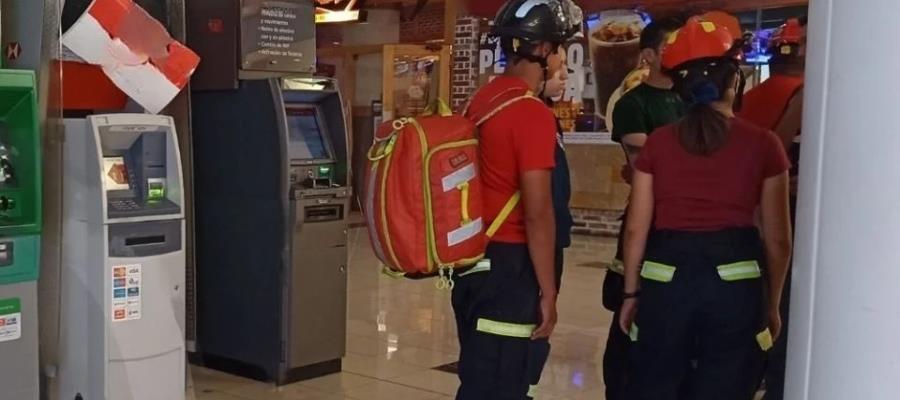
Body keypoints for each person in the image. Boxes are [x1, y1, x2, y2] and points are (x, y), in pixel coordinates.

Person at [619, 17, 793, 400]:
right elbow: (778, 240)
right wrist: (772, 304)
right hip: (735, 292)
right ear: (734, 81)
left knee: (654, 387)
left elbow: (636, 229)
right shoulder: (764, 145)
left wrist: (631, 294)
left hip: (666, 287)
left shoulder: (658, 145)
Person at [453, 1, 581, 398]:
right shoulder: (531, 113)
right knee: (502, 385)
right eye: (560, 49)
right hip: (511, 272)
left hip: (473, 262)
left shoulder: (483, 99)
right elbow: (538, 214)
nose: (562, 59)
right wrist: (548, 292)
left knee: (479, 378)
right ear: (542, 49)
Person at [604, 17, 685, 400]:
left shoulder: (695, 100)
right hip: (646, 223)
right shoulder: (632, 104)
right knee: (629, 322)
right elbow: (645, 163)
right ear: (649, 56)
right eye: (671, 46)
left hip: (686, 233)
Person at [739, 17, 807, 400]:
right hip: (784, 218)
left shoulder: (751, 96)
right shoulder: (804, 96)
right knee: (782, 313)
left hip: (744, 223)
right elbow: (779, 157)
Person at [525, 44, 575, 399]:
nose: (565, 78)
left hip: (552, 238)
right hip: (535, 243)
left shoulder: (548, 116)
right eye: (560, 72)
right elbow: (538, 206)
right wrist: (549, 287)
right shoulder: (531, 116)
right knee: (533, 324)